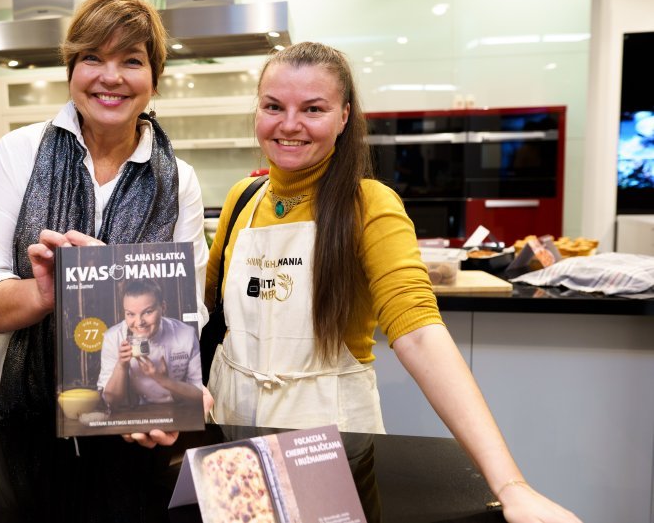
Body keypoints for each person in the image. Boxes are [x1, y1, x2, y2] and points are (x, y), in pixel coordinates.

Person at [204, 41, 581, 522]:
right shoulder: (243, 199)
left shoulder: (370, 205)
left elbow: (420, 333)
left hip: (324, 443)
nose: (289, 124)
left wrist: (511, 485)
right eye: (273, 106)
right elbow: (208, 311)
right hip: (232, 438)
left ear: (344, 116)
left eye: (313, 108)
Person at [0, 0, 209, 447]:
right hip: (18, 417)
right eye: (92, 58)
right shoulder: (19, 154)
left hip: (128, 423)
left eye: (131, 60)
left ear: (154, 78)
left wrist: (181, 395)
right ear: (71, 71)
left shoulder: (177, 181)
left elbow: (188, 313)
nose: (111, 77)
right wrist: (45, 293)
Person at [98, 278, 204, 406]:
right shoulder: (113, 337)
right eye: (130, 314)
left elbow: (200, 395)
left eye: (148, 312)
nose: (139, 322)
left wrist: (163, 380)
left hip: (179, 410)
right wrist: (121, 365)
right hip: (136, 413)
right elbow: (110, 400)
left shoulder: (186, 335)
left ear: (163, 307)